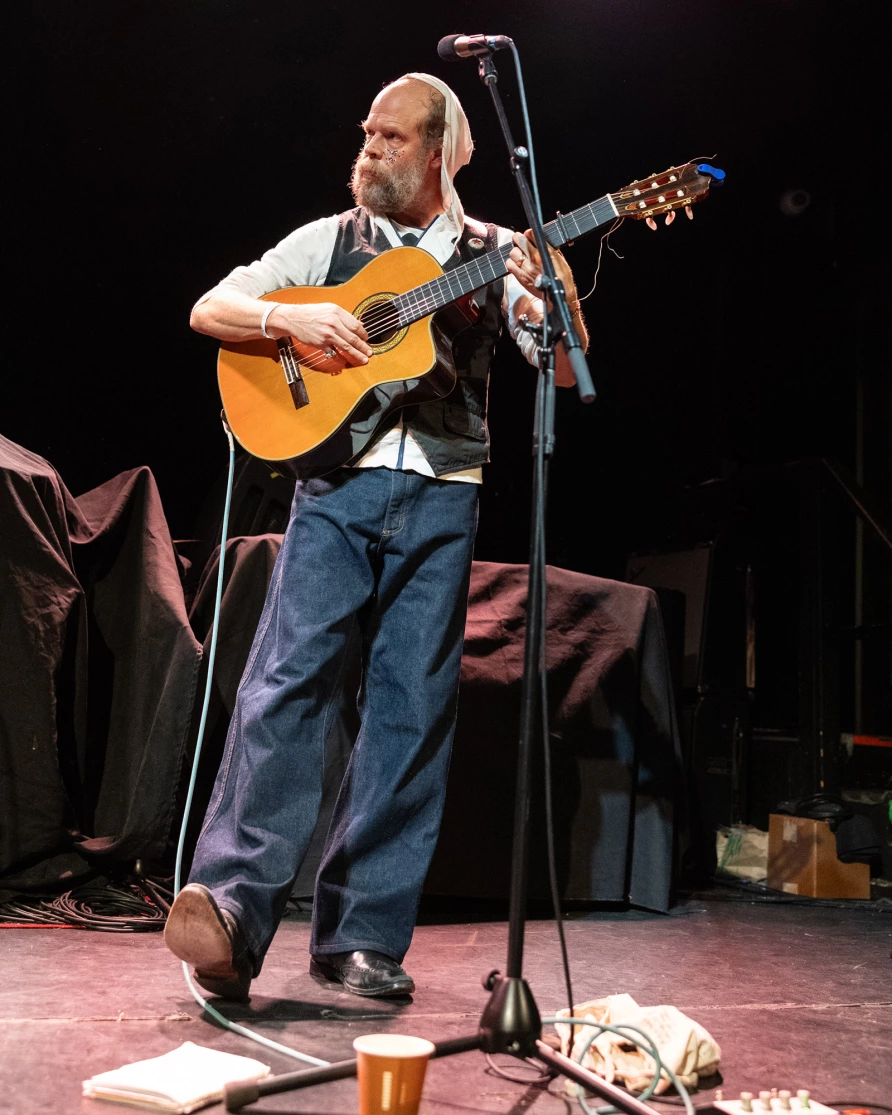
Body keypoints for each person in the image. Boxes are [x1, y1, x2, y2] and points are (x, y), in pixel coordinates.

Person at [163, 72, 588, 1000]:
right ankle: (229, 917)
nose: (367, 149)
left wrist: (553, 290)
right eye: (366, 134)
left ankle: (361, 937)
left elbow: (554, 367)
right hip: (335, 488)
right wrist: (289, 314)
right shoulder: (329, 243)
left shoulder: (497, 249)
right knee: (288, 682)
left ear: (441, 153)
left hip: (443, 494)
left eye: (390, 138)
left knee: (411, 709)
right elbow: (211, 307)